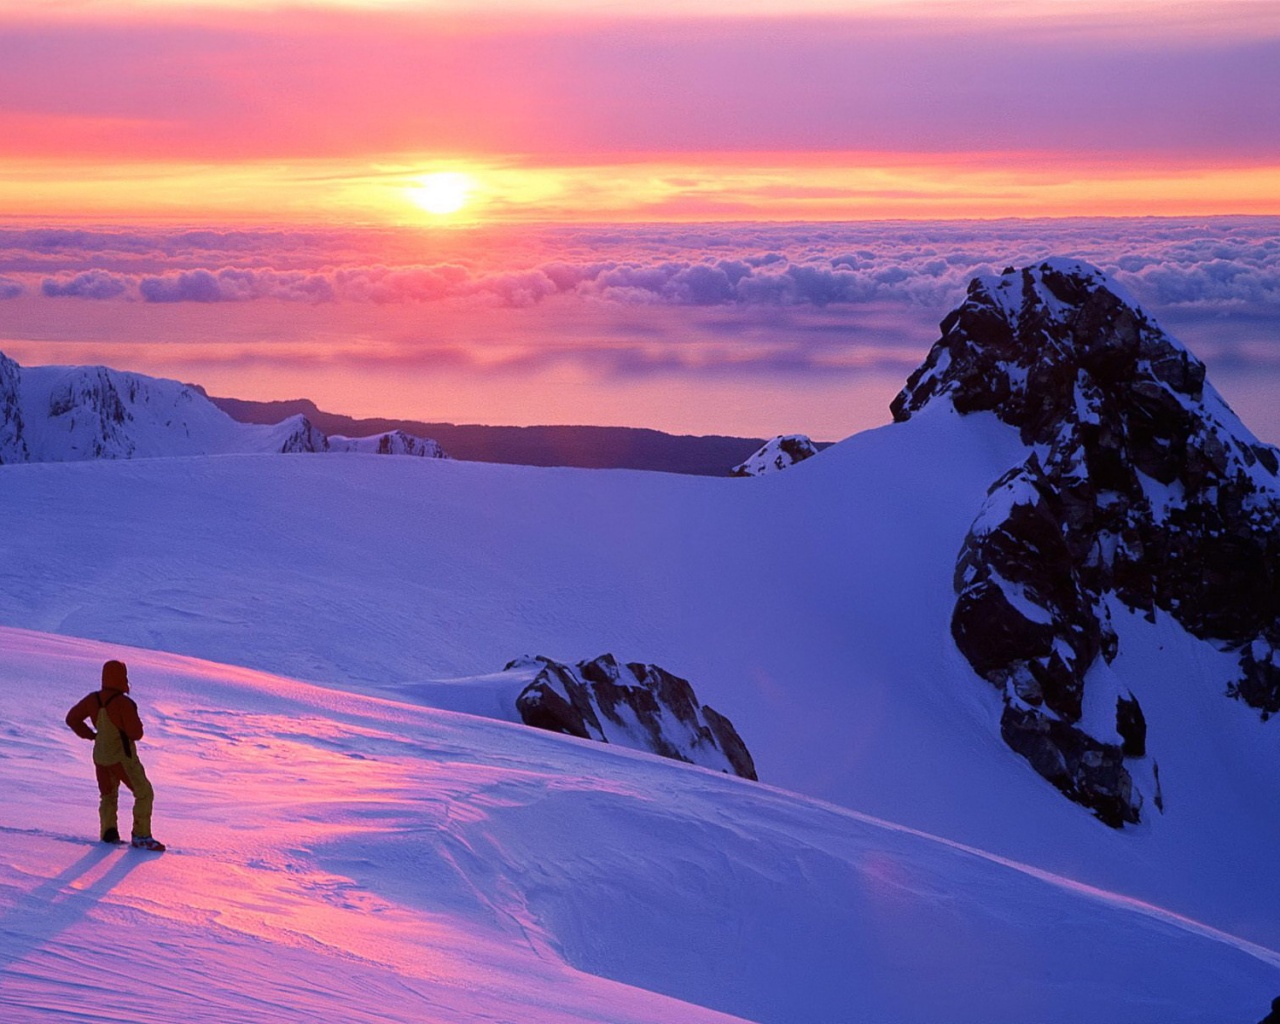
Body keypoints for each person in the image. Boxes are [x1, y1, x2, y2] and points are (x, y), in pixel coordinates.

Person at [65, 659, 165, 851]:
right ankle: (141, 836)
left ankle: (108, 833)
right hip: (121, 757)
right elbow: (136, 733)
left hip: (100, 756)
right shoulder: (124, 703)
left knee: (108, 795)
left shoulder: (93, 699)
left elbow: (72, 719)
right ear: (122, 677)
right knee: (144, 793)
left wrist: (91, 735)